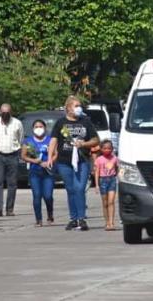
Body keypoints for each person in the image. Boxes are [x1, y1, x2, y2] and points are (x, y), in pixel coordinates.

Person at [49, 95, 99, 231]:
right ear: (68, 108)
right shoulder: (60, 123)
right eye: (76, 106)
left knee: (80, 188)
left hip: (82, 160)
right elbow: (53, 140)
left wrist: (84, 143)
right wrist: (50, 156)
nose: (78, 108)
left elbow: (95, 140)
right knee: (71, 189)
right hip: (65, 162)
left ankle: (82, 218)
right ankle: (73, 218)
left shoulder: (86, 122)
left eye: (79, 106)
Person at [0, 103, 23, 217]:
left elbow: (20, 139)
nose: (5, 114)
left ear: (11, 112)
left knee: (12, 183)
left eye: (7, 113)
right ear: (0, 112)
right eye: (3, 112)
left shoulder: (17, 123)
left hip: (13, 155)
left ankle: (10, 209)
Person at [21, 120, 54, 227]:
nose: (38, 128)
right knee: (37, 195)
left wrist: (49, 161)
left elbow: (56, 154)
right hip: (34, 171)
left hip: (47, 172)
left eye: (40, 126)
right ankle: (38, 219)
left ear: (45, 128)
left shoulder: (50, 140)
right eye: (36, 126)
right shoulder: (28, 141)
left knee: (48, 196)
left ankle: (50, 213)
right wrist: (34, 161)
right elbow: (23, 156)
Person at [94, 140, 119, 231]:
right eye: (105, 148)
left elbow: (117, 169)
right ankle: (107, 222)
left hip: (112, 179)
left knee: (111, 202)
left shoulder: (115, 158)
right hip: (102, 180)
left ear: (112, 149)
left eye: (109, 148)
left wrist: (117, 176)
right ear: (101, 149)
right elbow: (96, 172)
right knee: (105, 203)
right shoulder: (99, 159)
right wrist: (96, 185)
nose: (107, 150)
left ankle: (112, 223)